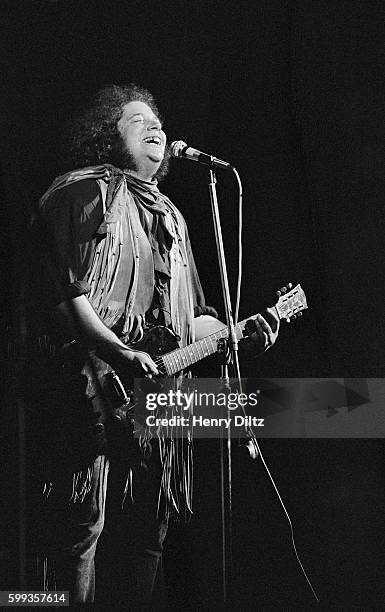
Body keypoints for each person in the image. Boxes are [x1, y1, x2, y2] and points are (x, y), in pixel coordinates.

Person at [28, 84, 280, 606]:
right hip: (91, 384)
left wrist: (242, 332)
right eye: (137, 119)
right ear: (108, 137)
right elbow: (60, 288)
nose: (155, 126)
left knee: (147, 532)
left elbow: (192, 323)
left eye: (158, 120)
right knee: (81, 527)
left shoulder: (173, 217)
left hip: (157, 397)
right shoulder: (80, 192)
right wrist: (116, 351)